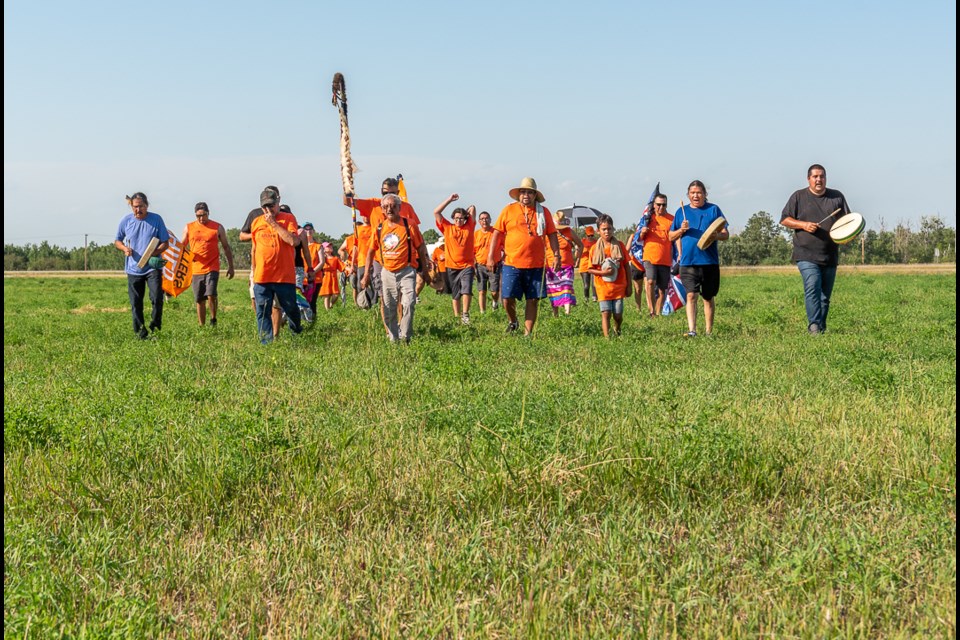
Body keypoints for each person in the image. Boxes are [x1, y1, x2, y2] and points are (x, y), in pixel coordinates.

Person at [780, 164, 851, 334]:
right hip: (805, 254)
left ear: (826, 178)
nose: (819, 180)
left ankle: (821, 327)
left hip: (829, 254)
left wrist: (849, 236)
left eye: (822, 176)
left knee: (825, 297)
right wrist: (803, 225)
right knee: (812, 286)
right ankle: (813, 326)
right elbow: (784, 219)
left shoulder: (836, 197)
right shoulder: (798, 196)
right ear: (808, 179)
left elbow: (848, 222)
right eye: (815, 177)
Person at [487, 177, 561, 336]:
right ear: (518, 194)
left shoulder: (543, 212)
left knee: (532, 299)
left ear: (535, 195)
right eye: (523, 192)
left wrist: (556, 255)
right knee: (506, 298)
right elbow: (497, 234)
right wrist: (491, 257)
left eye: (529, 192)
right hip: (511, 262)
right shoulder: (508, 210)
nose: (526, 195)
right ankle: (513, 321)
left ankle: (527, 334)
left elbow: (552, 235)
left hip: (536, 264)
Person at [360, 194, 429, 343]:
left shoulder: (409, 225)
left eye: (393, 206)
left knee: (409, 302)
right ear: (382, 210)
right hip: (387, 272)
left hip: (407, 270)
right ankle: (393, 337)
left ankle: (405, 336)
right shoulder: (379, 228)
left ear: (399, 208)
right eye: (386, 207)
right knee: (388, 307)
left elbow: (421, 247)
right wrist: (366, 275)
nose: (389, 209)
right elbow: (370, 251)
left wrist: (425, 270)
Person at [668, 180, 729, 337]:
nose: (696, 195)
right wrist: (681, 229)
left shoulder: (714, 210)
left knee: (708, 298)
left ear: (704, 194)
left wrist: (716, 235)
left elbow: (725, 234)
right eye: (692, 192)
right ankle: (692, 330)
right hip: (688, 262)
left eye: (699, 192)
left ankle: (708, 332)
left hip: (709, 262)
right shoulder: (681, 212)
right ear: (688, 195)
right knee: (691, 295)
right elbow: (670, 236)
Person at [250, 188, 304, 344]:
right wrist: (253, 273)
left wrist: (273, 224)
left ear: (278, 203)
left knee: (291, 309)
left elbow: (293, 241)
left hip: (284, 277)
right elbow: (254, 249)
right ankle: (266, 343)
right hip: (262, 276)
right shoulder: (256, 222)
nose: (268, 210)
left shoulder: (288, 218)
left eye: (271, 205)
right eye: (264, 207)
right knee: (263, 311)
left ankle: (297, 337)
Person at [114, 192, 169, 339]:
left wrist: (154, 252)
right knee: (136, 303)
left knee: (157, 297)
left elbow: (165, 243)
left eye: (141, 206)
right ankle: (140, 333)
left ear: (147, 205)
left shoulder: (156, 219)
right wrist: (125, 248)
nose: (138, 210)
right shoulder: (126, 221)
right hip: (134, 269)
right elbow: (117, 240)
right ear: (131, 207)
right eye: (135, 207)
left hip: (152, 266)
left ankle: (155, 325)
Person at [181, 202, 235, 326]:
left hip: (212, 266)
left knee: (211, 293)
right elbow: (182, 246)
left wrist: (231, 267)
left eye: (203, 215)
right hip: (196, 268)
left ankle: (213, 319)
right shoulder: (189, 227)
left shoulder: (217, 227)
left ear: (208, 213)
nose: (201, 218)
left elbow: (226, 247)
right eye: (198, 216)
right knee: (199, 299)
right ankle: (202, 325)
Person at [433, 193, 476, 324]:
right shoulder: (447, 227)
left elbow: (473, 208)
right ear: (453, 218)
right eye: (456, 218)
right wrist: (449, 200)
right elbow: (436, 212)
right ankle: (457, 317)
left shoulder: (470, 226)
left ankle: (465, 315)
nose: (459, 220)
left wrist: (467, 213)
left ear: (465, 218)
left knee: (467, 289)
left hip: (467, 265)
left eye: (461, 218)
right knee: (455, 293)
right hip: (451, 265)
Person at [586, 214, 630, 337]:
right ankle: (607, 339)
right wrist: (603, 273)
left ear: (613, 229)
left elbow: (626, 266)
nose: (607, 232)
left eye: (609, 229)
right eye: (603, 229)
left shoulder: (619, 246)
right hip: (602, 287)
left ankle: (617, 328)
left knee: (618, 314)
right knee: (606, 313)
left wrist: (629, 285)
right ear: (598, 231)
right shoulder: (594, 248)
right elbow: (590, 269)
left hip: (618, 286)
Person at [639, 194, 674, 317]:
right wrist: (643, 232)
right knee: (650, 281)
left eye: (663, 204)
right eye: (658, 204)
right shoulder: (647, 219)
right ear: (654, 205)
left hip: (665, 259)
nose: (661, 207)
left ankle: (658, 313)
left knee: (662, 289)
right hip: (650, 256)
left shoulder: (672, 219)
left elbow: (676, 238)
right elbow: (638, 239)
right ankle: (651, 310)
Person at [544, 210, 583, 316]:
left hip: (567, 266)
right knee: (554, 289)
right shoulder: (547, 233)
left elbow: (580, 245)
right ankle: (555, 314)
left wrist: (578, 257)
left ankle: (567, 314)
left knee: (566, 288)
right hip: (551, 266)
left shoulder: (569, 232)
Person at [474, 211, 501, 313]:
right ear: (479, 221)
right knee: (482, 290)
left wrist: (501, 259)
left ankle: (495, 303)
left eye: (486, 218)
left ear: (490, 220)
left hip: (494, 265)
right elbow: (472, 250)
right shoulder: (476, 234)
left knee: (494, 291)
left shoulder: (496, 232)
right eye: (482, 219)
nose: (484, 220)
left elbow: (505, 247)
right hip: (480, 264)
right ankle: (483, 312)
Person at [317, 242, 344, 310]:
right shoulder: (322, 259)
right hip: (325, 278)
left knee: (336, 294)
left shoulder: (335, 258)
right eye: (328, 246)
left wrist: (347, 268)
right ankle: (327, 310)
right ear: (324, 249)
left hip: (333, 278)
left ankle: (331, 304)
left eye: (330, 246)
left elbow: (342, 267)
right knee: (327, 295)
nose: (330, 247)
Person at [578, 226, 598, 301]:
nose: (590, 237)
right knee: (586, 285)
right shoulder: (582, 242)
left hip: (593, 265)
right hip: (584, 265)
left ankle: (595, 297)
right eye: (589, 235)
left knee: (594, 284)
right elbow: (578, 255)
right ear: (586, 235)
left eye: (592, 235)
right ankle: (586, 298)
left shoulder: (596, 242)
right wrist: (578, 249)